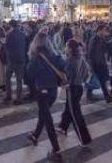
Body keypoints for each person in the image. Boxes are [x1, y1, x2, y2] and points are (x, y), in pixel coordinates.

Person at [26, 29, 66, 160]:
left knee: (47, 119)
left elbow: (30, 74)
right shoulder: (53, 54)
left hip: (42, 90)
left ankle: (56, 148)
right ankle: (35, 135)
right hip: (53, 91)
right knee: (44, 114)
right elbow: (63, 65)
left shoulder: (35, 57)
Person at [57, 39, 92, 146]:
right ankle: (63, 128)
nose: (65, 48)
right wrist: (84, 81)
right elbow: (88, 72)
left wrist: (67, 83)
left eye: (66, 46)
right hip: (79, 87)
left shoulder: (70, 59)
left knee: (76, 114)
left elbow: (69, 75)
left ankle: (84, 139)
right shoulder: (80, 57)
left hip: (73, 88)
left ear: (71, 49)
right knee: (69, 109)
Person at [86, 24, 112, 103]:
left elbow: (106, 49)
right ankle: (90, 94)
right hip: (96, 63)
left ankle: (107, 96)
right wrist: (90, 65)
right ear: (99, 30)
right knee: (94, 79)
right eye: (103, 30)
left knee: (104, 79)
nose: (105, 32)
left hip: (101, 62)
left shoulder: (103, 39)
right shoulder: (94, 39)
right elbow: (90, 52)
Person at [4, 20, 27, 104]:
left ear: (10, 26)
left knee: (7, 78)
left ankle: (8, 95)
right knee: (19, 80)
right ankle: (19, 98)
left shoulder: (9, 35)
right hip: (21, 59)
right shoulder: (22, 34)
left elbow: (7, 47)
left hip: (11, 60)